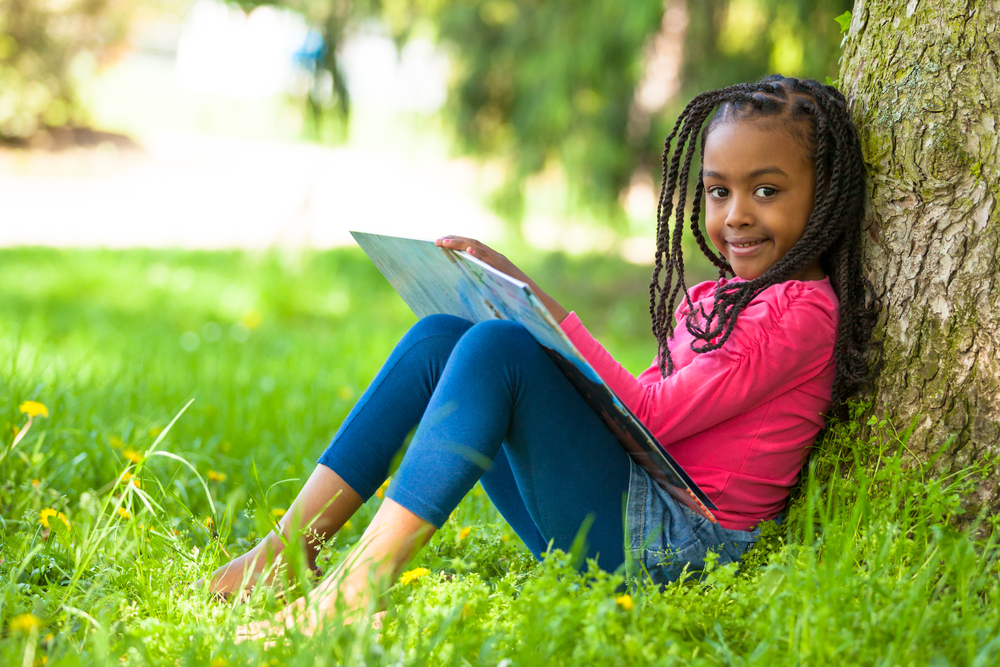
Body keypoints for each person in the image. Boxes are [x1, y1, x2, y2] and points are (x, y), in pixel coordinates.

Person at [213, 74, 881, 640]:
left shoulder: (800, 311)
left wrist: (538, 306)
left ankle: (356, 588)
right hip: (633, 517)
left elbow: (651, 418)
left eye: (767, 190)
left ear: (824, 197)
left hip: (682, 549)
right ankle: (288, 548)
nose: (736, 214)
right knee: (443, 335)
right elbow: (647, 409)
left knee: (499, 346)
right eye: (717, 190)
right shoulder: (717, 297)